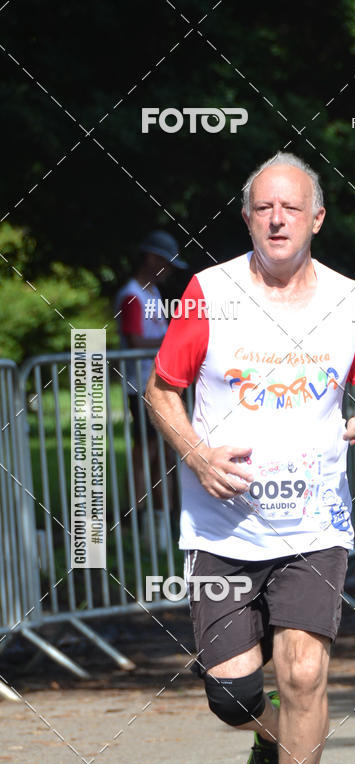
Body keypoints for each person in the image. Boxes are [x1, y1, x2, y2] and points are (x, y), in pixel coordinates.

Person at [145, 152, 355, 764]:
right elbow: (162, 389)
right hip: (223, 530)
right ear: (249, 218)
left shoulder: (353, 302)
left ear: (317, 218)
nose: (278, 218)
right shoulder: (208, 294)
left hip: (313, 526)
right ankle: (266, 738)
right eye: (264, 208)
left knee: (304, 672)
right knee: (233, 695)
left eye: (292, 207)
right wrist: (195, 453)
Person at [115, 230, 187, 546]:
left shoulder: (154, 293)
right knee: (147, 454)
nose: (169, 271)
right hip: (140, 387)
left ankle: (163, 522)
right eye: (166, 263)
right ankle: (136, 519)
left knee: (166, 455)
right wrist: (170, 341)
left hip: (159, 384)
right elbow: (133, 340)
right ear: (151, 258)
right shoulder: (132, 295)